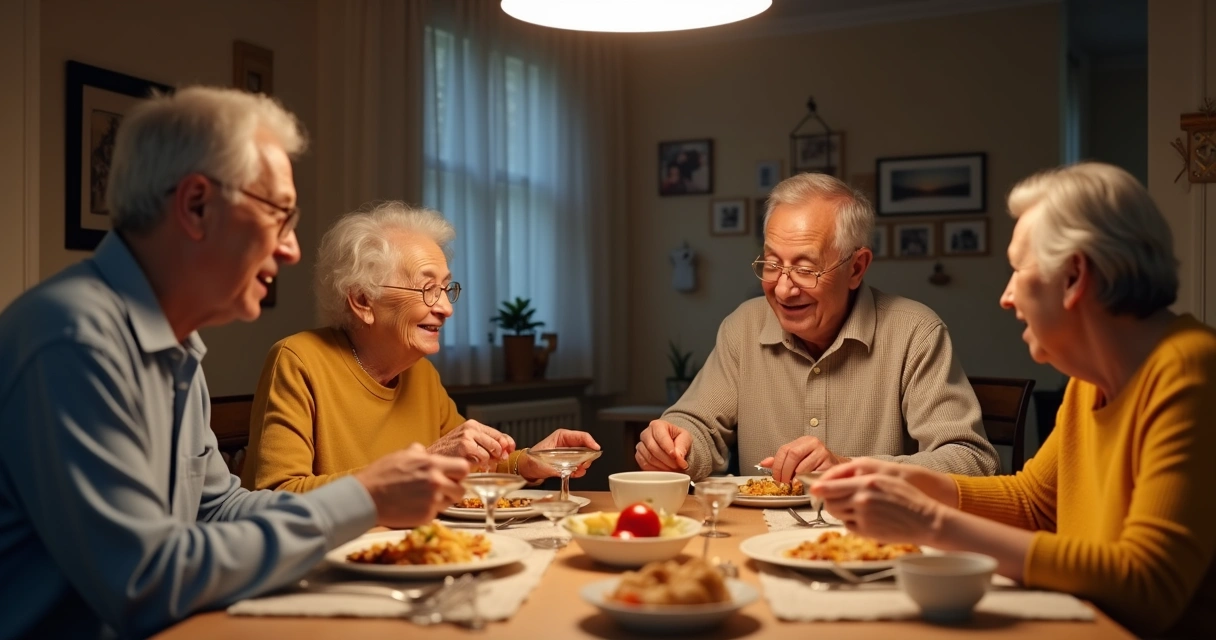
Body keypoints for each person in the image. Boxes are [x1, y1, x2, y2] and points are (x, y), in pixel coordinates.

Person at [0, 87, 469, 640]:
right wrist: (363, 496)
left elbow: (219, 510)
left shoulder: (177, 350)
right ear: (197, 206)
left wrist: (366, 500)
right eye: (280, 216)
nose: (292, 249)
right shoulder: (73, 337)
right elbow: (143, 581)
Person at [813, 162, 1216, 637]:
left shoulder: (1189, 370)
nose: (1006, 297)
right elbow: (1034, 506)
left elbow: (1149, 587)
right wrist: (913, 481)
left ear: (1073, 277)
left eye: (1018, 271)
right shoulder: (1090, 380)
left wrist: (929, 522)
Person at [635, 172, 999, 482]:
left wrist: (850, 469)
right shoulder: (743, 326)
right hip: (755, 537)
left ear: (856, 268)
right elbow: (696, 425)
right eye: (772, 264)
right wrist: (674, 444)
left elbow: (972, 460)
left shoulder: (916, 333)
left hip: (874, 543)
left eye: (806, 269)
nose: (782, 288)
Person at [240, 202, 600, 492]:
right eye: (427, 289)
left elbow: (471, 461)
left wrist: (529, 460)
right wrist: (420, 464)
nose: (446, 307)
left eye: (446, 288)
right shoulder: (299, 361)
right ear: (363, 300)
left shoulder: (419, 373)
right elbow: (278, 496)